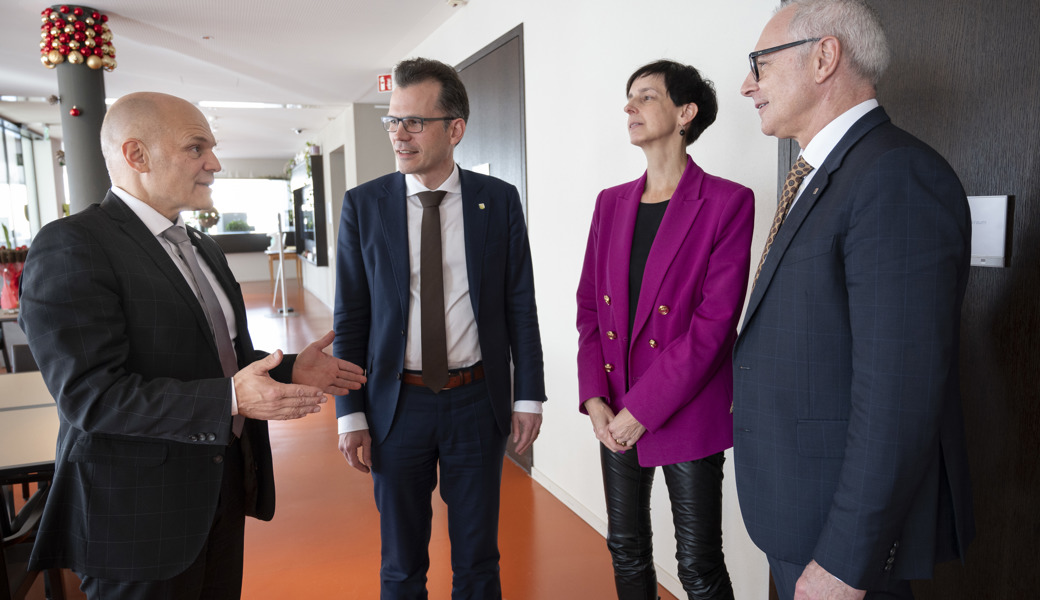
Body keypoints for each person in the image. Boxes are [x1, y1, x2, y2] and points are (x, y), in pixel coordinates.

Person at [18, 91, 367, 599]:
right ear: (137, 155)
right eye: (196, 148)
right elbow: (91, 396)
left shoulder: (201, 246)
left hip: (219, 491)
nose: (214, 163)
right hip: (138, 518)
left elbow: (215, 359)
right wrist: (231, 399)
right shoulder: (73, 245)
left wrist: (290, 368)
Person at [733, 1, 975, 598]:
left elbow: (898, 396)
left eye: (761, 64)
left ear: (824, 58)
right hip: (798, 511)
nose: (747, 85)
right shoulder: (825, 172)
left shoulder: (895, 175)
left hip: (840, 542)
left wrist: (846, 561)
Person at [333, 57, 546, 599]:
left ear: (455, 129)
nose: (398, 134)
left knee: (478, 560)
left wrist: (528, 397)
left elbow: (520, 304)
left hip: (476, 402)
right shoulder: (364, 205)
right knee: (401, 563)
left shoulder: (498, 200)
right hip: (394, 406)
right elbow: (350, 317)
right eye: (393, 120)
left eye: (414, 122)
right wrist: (349, 411)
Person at [576, 60, 753, 600]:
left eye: (647, 96)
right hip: (615, 406)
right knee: (625, 549)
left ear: (685, 113)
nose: (629, 107)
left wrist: (642, 410)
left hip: (686, 405)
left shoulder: (728, 202)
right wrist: (595, 398)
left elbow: (714, 325)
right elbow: (590, 309)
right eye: (629, 97)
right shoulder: (610, 203)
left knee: (697, 565)